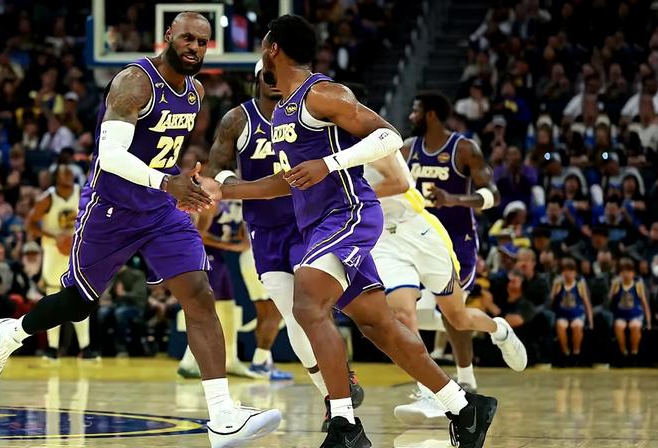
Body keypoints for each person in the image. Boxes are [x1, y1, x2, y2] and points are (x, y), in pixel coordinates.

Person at [0, 12, 281, 448]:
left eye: (203, 42)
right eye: (187, 38)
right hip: (111, 209)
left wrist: (180, 182)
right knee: (78, 303)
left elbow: (158, 154)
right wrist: (166, 180)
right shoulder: (135, 82)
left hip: (159, 210)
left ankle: (222, 415)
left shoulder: (194, 92)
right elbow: (111, 154)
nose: (195, 47)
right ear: (169, 36)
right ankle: (12, 333)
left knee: (199, 292)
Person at [197, 15, 496, 447]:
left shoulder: (323, 92)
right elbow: (289, 179)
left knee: (308, 304)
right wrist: (224, 191)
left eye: (263, 44)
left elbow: (388, 136)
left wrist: (329, 164)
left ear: (273, 48)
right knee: (379, 326)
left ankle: (344, 425)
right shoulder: (283, 108)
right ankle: (465, 408)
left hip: (348, 213)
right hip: (316, 222)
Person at [206, 59, 363, 429]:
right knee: (292, 316)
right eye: (268, 75)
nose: (275, 81)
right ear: (258, 78)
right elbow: (218, 167)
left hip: (311, 222)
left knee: (317, 310)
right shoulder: (237, 119)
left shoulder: (309, 109)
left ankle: (338, 392)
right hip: (265, 229)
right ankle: (332, 392)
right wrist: (234, 185)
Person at [360, 111, 526, 423]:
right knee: (402, 316)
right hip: (384, 239)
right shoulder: (320, 150)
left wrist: (354, 193)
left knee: (457, 317)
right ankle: (431, 391)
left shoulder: (370, 140)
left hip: (419, 229)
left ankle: (499, 329)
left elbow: (400, 182)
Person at [397, 91, 502, 400]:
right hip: (417, 237)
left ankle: (466, 376)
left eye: (416, 111)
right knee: (405, 309)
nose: (411, 117)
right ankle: (430, 385)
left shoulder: (464, 149)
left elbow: (493, 195)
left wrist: (454, 199)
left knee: (449, 313)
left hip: (458, 241)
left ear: (430, 115)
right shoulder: (406, 150)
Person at [176, 198, 258, 378]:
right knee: (206, 309)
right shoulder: (213, 201)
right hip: (205, 256)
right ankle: (188, 362)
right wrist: (227, 243)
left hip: (220, 256)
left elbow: (244, 244)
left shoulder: (242, 201)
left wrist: (227, 244)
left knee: (227, 307)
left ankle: (231, 360)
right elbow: (198, 233)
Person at [26, 163, 97, 360]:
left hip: (76, 251)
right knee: (52, 298)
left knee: (79, 296)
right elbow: (30, 223)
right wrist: (54, 236)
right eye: (63, 172)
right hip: (53, 253)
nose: (68, 174)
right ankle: (51, 348)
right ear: (56, 176)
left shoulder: (80, 190)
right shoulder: (48, 198)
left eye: (69, 171)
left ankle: (86, 347)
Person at [551, 257, 593, 364]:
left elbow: (586, 303)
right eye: (565, 271)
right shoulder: (558, 283)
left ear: (575, 272)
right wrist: (555, 289)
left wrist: (590, 321)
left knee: (577, 326)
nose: (568, 274)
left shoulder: (580, 284)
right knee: (561, 326)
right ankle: (566, 353)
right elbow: (551, 302)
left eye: (570, 271)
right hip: (562, 314)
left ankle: (576, 353)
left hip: (577, 314)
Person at [610, 258, 651, 365]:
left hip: (635, 314)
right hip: (621, 314)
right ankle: (624, 353)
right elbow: (609, 302)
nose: (626, 274)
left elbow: (644, 303)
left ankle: (634, 354)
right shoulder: (616, 284)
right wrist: (612, 289)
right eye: (623, 271)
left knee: (635, 327)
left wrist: (648, 321)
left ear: (633, 273)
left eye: (629, 271)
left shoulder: (638, 284)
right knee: (619, 327)